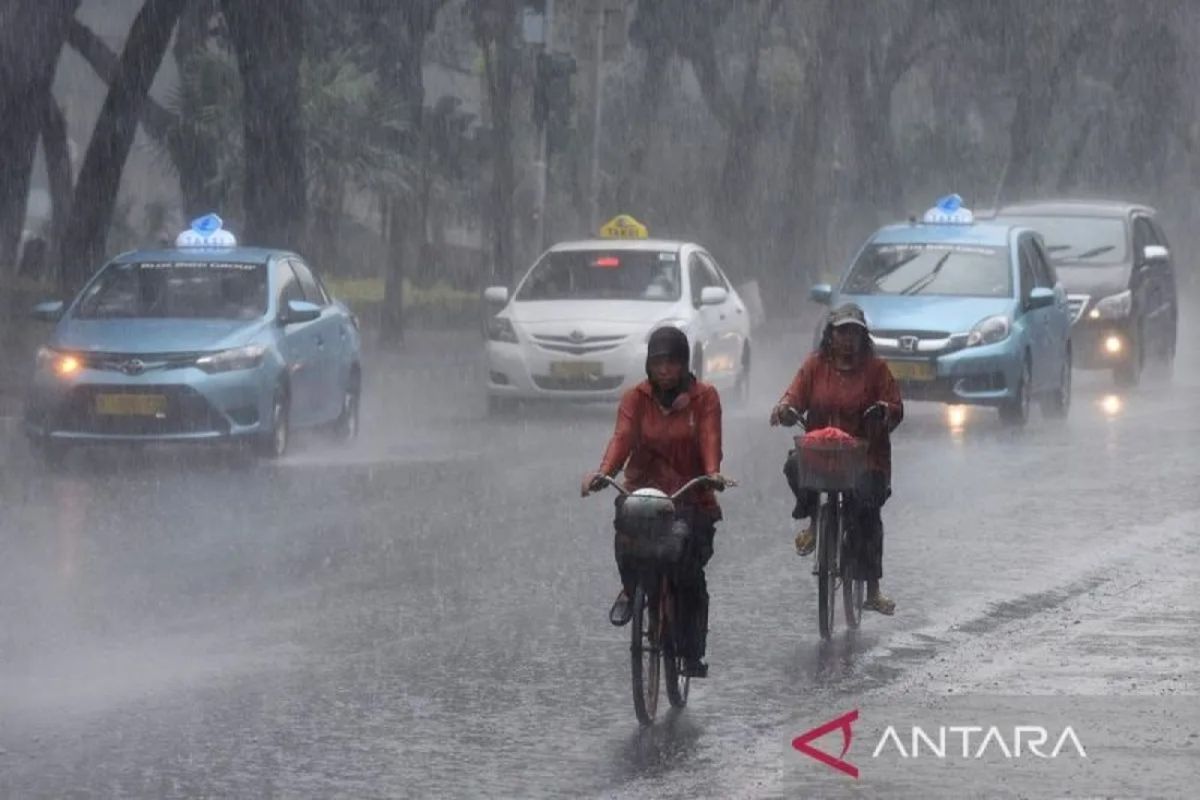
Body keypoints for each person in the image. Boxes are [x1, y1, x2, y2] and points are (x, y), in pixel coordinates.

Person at [581, 325, 729, 677]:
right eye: (658, 362)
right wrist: (604, 473)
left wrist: (712, 472)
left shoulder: (704, 397)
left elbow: (710, 438)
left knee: (688, 570)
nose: (664, 370)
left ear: (684, 364)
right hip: (644, 492)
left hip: (690, 496)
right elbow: (621, 439)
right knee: (626, 535)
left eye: (672, 363)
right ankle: (632, 591)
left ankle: (692, 651)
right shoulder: (636, 398)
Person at [769, 303, 903, 615]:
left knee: (866, 512)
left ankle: (872, 589)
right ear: (830, 335)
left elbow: (896, 407)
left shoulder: (877, 370)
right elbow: (793, 398)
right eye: (842, 331)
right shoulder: (814, 366)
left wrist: (884, 411)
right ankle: (816, 522)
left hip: (866, 459)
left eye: (854, 332)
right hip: (821, 454)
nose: (847, 339)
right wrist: (784, 409)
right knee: (793, 465)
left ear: (863, 337)